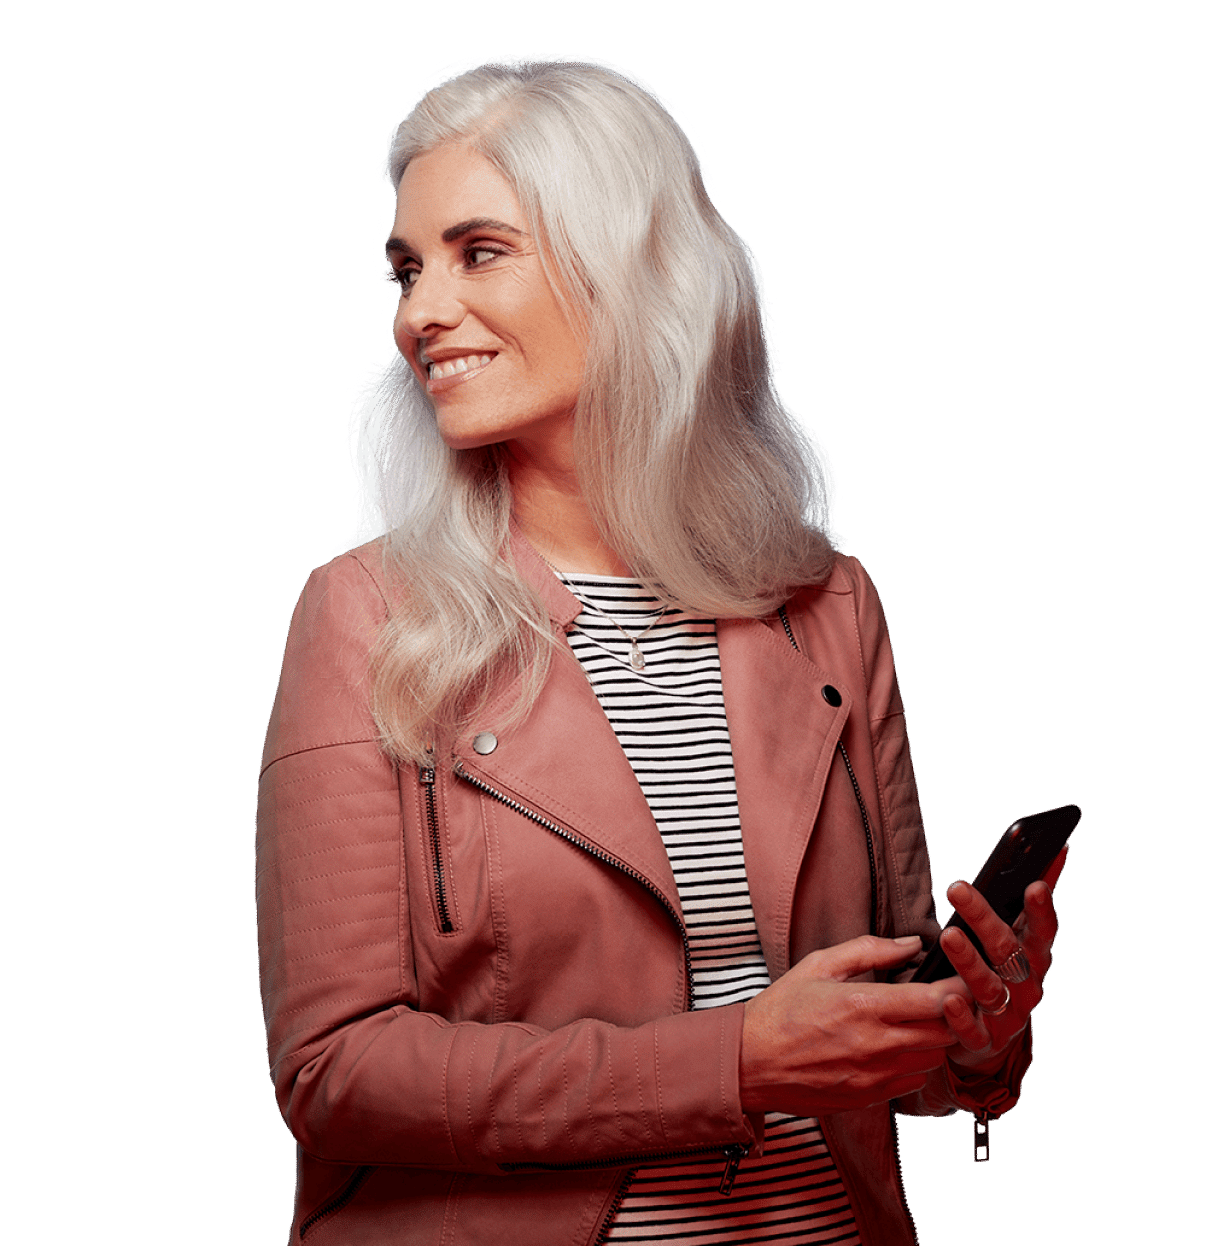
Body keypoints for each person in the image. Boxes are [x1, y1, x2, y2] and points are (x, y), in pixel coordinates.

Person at [255, 53, 1062, 1246]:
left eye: (479, 252)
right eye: (407, 266)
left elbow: (880, 1036)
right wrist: (733, 1058)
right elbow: (335, 1069)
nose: (420, 310)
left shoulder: (827, 603)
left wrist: (975, 1034)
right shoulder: (366, 613)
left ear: (627, 266)